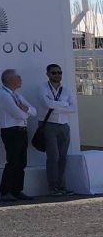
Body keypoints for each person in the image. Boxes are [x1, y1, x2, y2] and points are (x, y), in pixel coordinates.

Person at [0, 68, 35, 201]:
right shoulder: (4, 95)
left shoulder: (17, 95)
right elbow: (18, 114)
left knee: (21, 162)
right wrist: (26, 112)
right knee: (12, 161)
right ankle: (5, 191)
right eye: (18, 77)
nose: (20, 79)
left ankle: (17, 190)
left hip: (22, 130)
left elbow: (33, 111)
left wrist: (26, 110)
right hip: (11, 131)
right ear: (10, 79)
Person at [40, 63, 76, 195]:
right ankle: (52, 187)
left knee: (63, 157)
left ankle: (62, 186)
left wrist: (56, 106)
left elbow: (73, 108)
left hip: (64, 125)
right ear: (48, 74)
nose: (57, 75)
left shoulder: (66, 89)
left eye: (59, 72)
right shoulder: (43, 88)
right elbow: (47, 104)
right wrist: (64, 105)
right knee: (53, 157)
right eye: (54, 73)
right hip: (49, 125)